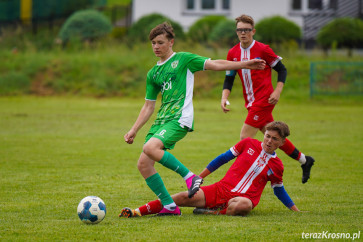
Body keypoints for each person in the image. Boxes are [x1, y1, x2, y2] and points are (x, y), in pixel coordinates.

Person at [124, 22, 266, 216]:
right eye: (153, 43)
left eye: (160, 42)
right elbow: (149, 105)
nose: (156, 47)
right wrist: (134, 130)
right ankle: (170, 206)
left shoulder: (184, 59)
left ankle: (190, 177)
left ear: (171, 42)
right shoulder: (153, 73)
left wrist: (243, 64)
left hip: (178, 118)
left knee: (149, 148)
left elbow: (215, 64)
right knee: (144, 164)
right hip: (161, 122)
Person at [120, 121, 300, 217]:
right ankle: (137, 211)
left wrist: (295, 210)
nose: (269, 141)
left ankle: (213, 212)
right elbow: (222, 159)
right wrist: (198, 177)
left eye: (274, 139)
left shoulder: (278, 166)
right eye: (267, 136)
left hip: (244, 199)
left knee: (243, 205)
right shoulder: (248, 144)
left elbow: (279, 190)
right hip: (221, 190)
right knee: (182, 196)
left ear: (282, 143)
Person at [220, 14, 314, 184]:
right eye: (240, 30)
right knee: (274, 136)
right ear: (236, 32)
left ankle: (241, 177)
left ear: (253, 31)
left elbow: (282, 70)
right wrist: (224, 97)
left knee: (244, 139)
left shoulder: (263, 49)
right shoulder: (232, 52)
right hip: (250, 103)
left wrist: (277, 91)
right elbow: (229, 77)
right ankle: (305, 161)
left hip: (264, 100)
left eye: (246, 30)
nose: (243, 33)